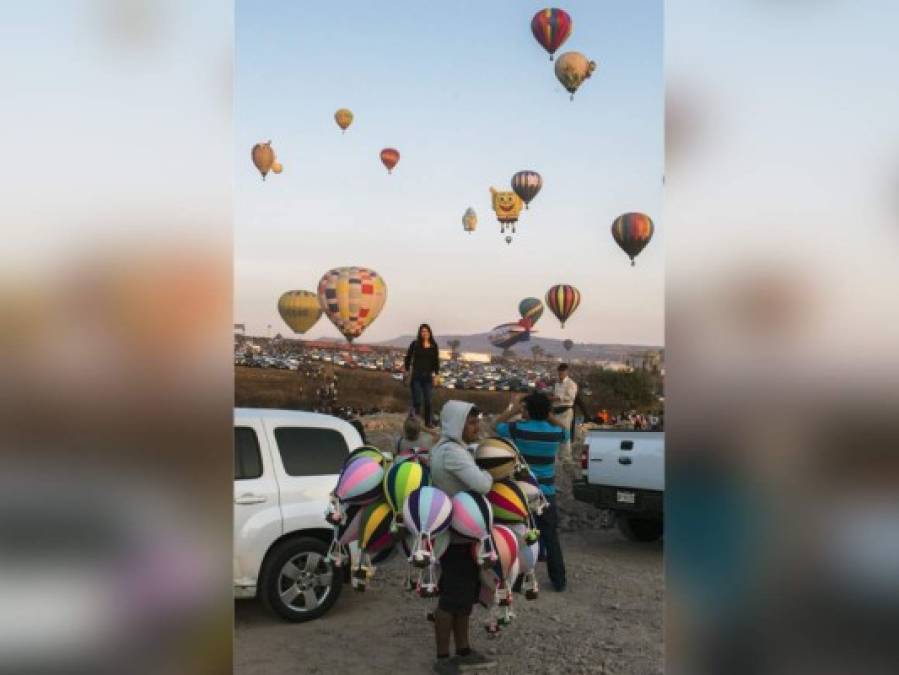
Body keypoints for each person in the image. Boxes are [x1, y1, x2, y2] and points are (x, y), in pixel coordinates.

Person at [428, 401, 497, 674]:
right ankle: (443, 659)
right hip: (456, 538)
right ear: (456, 424)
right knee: (451, 600)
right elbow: (482, 484)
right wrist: (489, 473)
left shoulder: (450, 449)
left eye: (477, 420)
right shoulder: (452, 453)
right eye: (470, 422)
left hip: (463, 536)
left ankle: (464, 651)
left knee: (464, 598)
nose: (476, 426)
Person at [493, 393, 568, 592]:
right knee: (551, 536)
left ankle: (518, 579)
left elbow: (495, 426)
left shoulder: (518, 429)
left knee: (521, 535)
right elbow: (566, 431)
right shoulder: (555, 433)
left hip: (521, 491)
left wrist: (514, 410)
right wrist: (548, 416)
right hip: (546, 493)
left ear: (527, 410)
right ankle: (559, 580)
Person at [404, 324, 440, 428]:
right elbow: (408, 357)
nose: (424, 333)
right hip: (416, 377)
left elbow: (436, 361)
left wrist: (436, 374)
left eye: (426, 331)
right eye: (422, 331)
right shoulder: (415, 344)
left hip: (428, 377)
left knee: (428, 400)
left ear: (430, 333)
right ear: (420, 333)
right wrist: (407, 369)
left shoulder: (434, 345)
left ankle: (428, 423)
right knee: (417, 401)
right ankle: (415, 422)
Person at [551, 363, 578, 464]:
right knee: (555, 433)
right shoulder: (557, 384)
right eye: (559, 372)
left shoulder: (571, 384)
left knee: (565, 434)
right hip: (556, 410)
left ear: (566, 372)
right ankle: (557, 457)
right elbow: (555, 396)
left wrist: (558, 398)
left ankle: (567, 458)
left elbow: (571, 398)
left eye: (562, 372)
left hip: (566, 411)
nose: (560, 374)